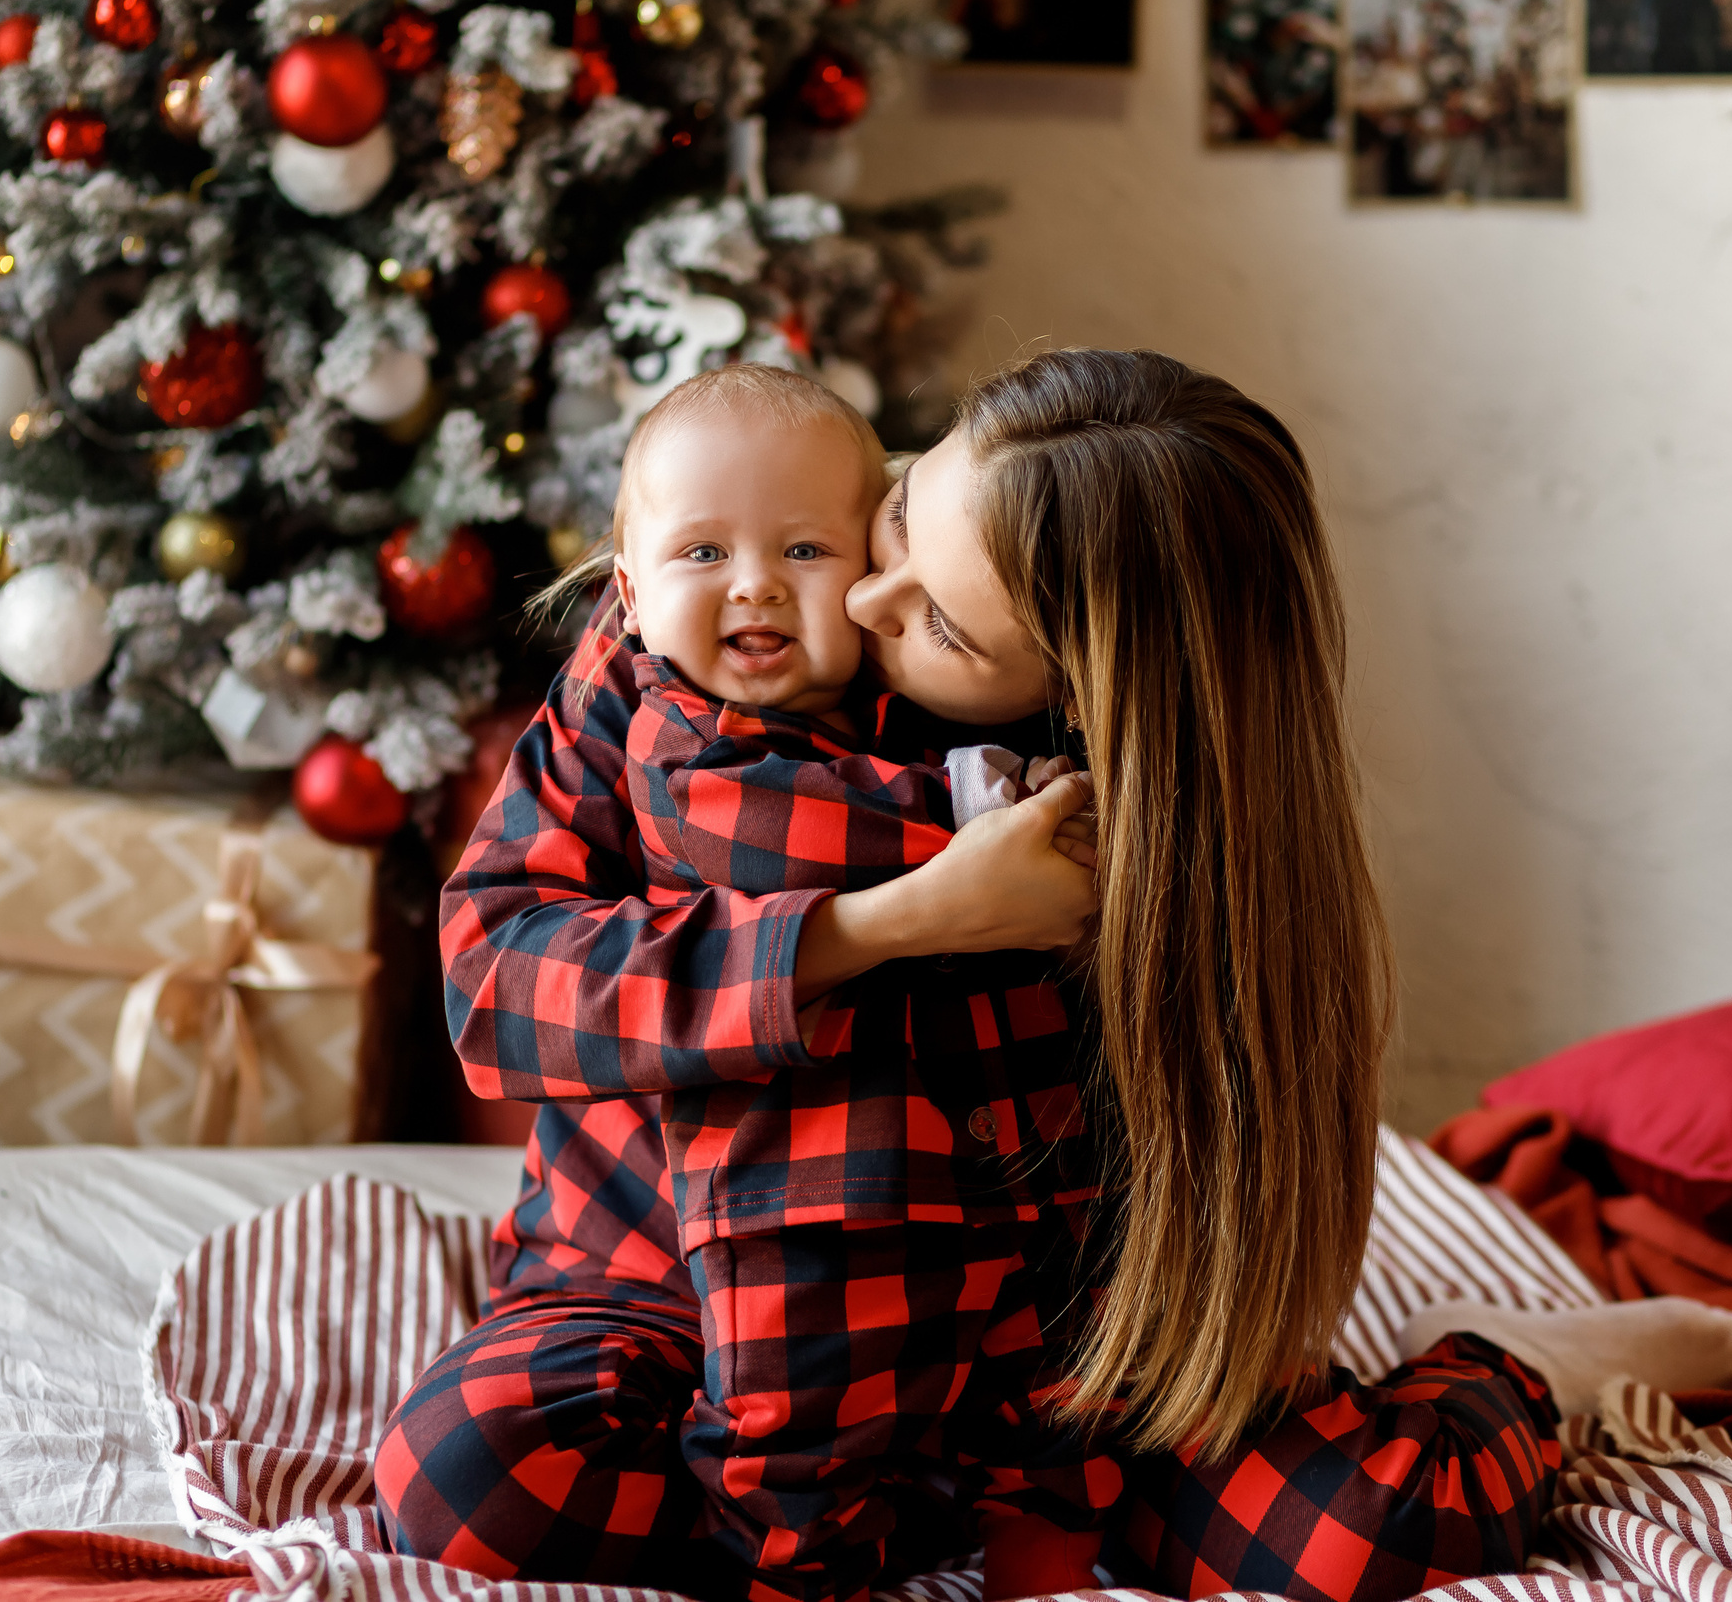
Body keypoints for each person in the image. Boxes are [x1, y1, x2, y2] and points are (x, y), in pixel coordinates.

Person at [375, 350, 1563, 1602]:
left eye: (940, 619)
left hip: (1031, 1333)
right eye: (899, 512)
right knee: (475, 1482)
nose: (863, 597)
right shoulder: (683, 631)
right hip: (673, 1281)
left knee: (1363, 1536)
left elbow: (1176, 1159)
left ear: (1085, 695)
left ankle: (1514, 1365)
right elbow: (496, 990)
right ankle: (819, 1508)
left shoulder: (1115, 792)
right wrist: (895, 922)